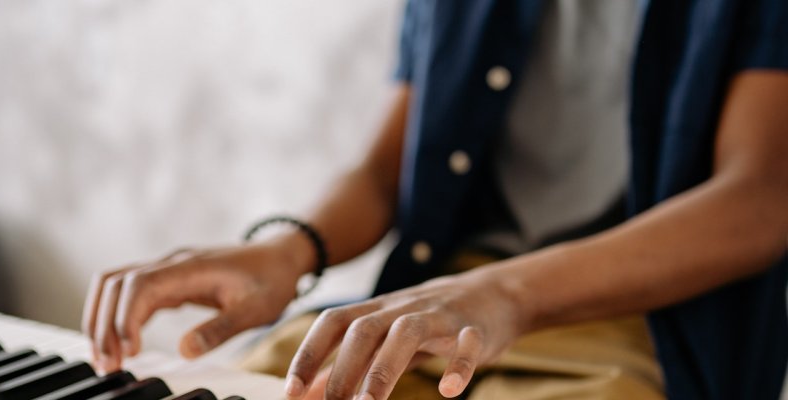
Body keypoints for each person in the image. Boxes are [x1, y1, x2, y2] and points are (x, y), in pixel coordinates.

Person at [82, 0, 788, 399]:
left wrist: (504, 293)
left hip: (630, 326)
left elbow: (761, 199)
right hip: (434, 308)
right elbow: (385, 170)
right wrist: (288, 249)